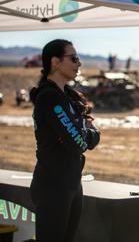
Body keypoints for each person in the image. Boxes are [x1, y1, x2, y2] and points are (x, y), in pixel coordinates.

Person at [29, 39, 100, 242]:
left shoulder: (68, 97)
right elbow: (79, 143)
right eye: (74, 58)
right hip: (53, 185)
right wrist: (87, 132)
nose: (79, 64)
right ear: (55, 62)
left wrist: (86, 133)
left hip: (71, 183)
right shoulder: (49, 97)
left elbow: (89, 137)